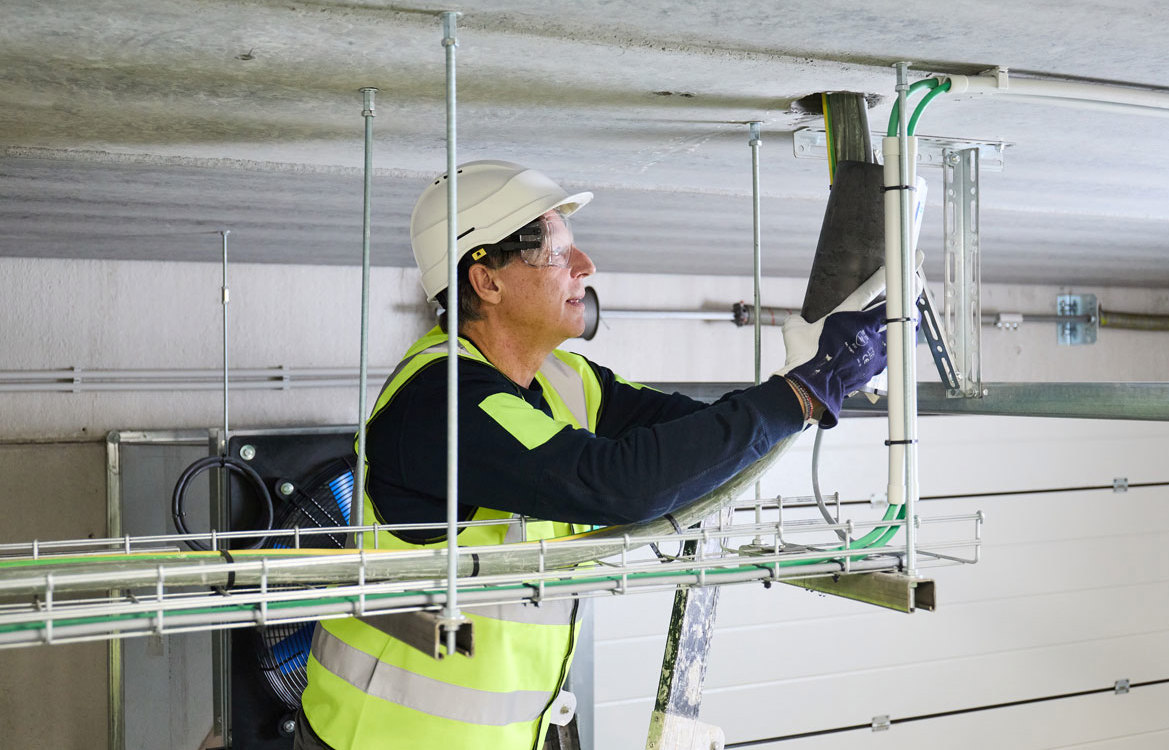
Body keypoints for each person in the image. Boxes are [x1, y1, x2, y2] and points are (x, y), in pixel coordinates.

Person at [296, 160, 888, 750]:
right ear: (487, 281)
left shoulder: (566, 380)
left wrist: (800, 374)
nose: (586, 267)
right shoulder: (439, 405)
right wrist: (804, 391)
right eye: (557, 252)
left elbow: (697, 440)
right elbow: (621, 486)